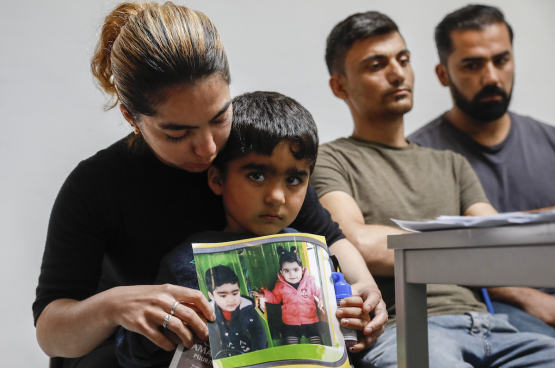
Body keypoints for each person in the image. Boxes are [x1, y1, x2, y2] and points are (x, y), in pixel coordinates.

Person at [32, 4, 385, 367]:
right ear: (130, 116)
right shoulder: (96, 185)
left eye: (219, 117)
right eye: (177, 132)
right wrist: (114, 304)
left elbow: (331, 238)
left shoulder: (252, 153)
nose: (208, 148)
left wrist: (366, 293)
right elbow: (50, 330)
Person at [310, 10, 555, 367]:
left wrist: (427, 250)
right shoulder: (331, 159)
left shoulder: (451, 163)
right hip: (409, 329)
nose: (397, 73)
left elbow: (498, 245)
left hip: (494, 328)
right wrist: (462, 247)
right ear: (340, 86)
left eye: (403, 59)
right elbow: (357, 243)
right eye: (376, 64)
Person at [115, 91, 388, 367]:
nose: (277, 196)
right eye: (257, 176)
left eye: (294, 179)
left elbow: (348, 341)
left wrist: (359, 322)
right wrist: (161, 328)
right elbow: (132, 352)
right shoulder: (185, 261)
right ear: (217, 179)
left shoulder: (316, 255)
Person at [408, 4, 555, 337]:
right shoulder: (419, 157)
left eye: (501, 60)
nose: (491, 77)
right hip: (489, 314)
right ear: (443, 74)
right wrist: (530, 298)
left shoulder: (550, 140)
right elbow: (435, 259)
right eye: (472, 65)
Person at [254, 246, 325, 345]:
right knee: (292, 345)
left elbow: (319, 292)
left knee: (316, 343)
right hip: (290, 323)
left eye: (296, 270)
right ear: (281, 272)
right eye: (286, 271)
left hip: (311, 321)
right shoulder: (280, 285)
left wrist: (322, 299)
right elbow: (275, 298)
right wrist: (264, 296)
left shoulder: (309, 281)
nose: (292, 274)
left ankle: (317, 358)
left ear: (302, 269)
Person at [204, 265, 266, 358]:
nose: (231, 300)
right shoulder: (208, 314)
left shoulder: (249, 309)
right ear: (212, 296)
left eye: (235, 293)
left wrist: (258, 354)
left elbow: (259, 334)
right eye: (223, 295)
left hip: (250, 355)